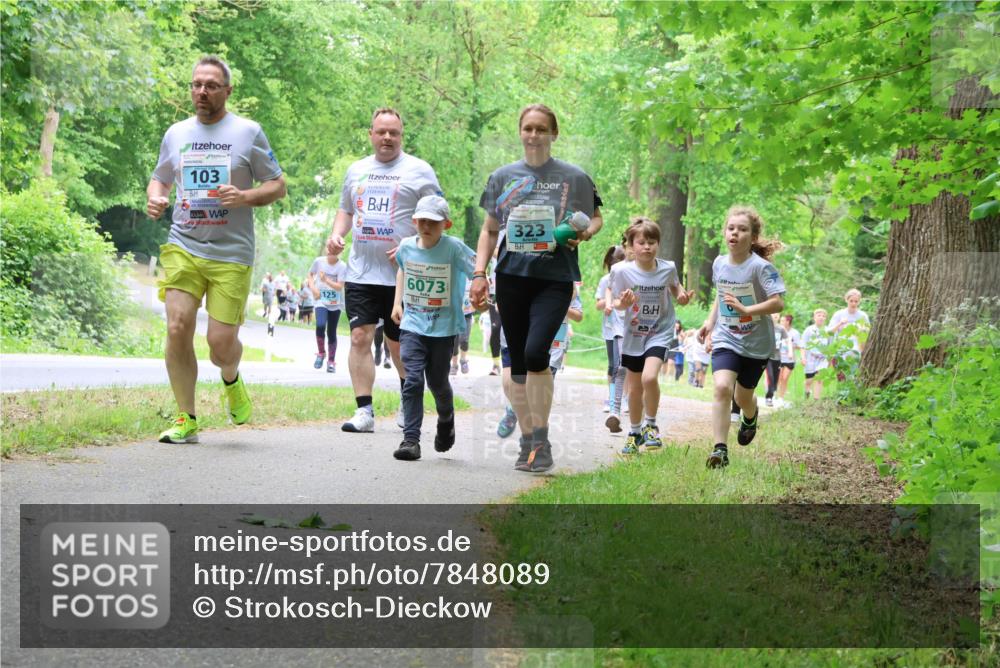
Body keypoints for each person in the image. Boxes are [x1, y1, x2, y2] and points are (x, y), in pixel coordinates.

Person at [146, 55, 285, 444]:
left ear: (227, 90)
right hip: (184, 244)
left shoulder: (249, 132)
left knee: (220, 346)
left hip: (231, 252)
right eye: (196, 84)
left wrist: (244, 196)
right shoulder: (176, 133)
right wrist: (157, 199)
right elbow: (160, 180)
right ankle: (186, 417)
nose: (201, 91)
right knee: (176, 328)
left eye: (210, 85)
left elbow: (277, 185)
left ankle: (231, 377)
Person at [470, 103, 603, 473]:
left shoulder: (574, 177)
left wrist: (585, 234)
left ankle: (541, 440)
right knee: (515, 366)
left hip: (555, 278)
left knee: (535, 353)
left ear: (553, 134)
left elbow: (596, 217)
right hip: (511, 277)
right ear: (520, 132)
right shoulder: (502, 176)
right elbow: (489, 230)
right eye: (527, 128)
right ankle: (529, 439)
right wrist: (480, 273)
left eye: (541, 129)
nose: (533, 135)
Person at [326, 108, 443, 433]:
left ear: (401, 136)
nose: (387, 138)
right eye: (381, 132)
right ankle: (364, 411)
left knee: (399, 345)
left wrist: (415, 244)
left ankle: (409, 406)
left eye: (394, 132)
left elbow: (439, 217)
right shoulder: (357, 170)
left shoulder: (419, 171)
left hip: (403, 275)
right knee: (360, 337)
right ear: (371, 134)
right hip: (362, 272)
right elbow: (346, 210)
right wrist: (337, 236)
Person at [697, 206, 785, 469]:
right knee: (722, 387)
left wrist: (748, 310)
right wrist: (709, 323)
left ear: (753, 236)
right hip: (727, 337)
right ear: (725, 233)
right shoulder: (719, 263)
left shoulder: (761, 268)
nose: (735, 233)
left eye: (742, 229)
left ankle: (750, 414)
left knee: (742, 397)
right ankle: (720, 449)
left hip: (757, 343)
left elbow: (778, 303)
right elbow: (720, 295)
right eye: (731, 228)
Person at [390, 195, 475, 461]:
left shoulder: (454, 249)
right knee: (413, 379)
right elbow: (403, 269)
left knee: (438, 382)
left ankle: (446, 418)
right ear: (414, 221)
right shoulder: (405, 246)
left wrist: (481, 292)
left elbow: (479, 271)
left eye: (433, 222)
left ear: (446, 224)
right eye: (422, 221)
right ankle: (411, 441)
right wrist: (397, 303)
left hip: (444, 328)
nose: (426, 226)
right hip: (413, 324)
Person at [611, 219, 694, 454]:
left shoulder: (667, 267)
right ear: (631, 246)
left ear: (658, 244)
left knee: (649, 378)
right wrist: (623, 303)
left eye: (652, 242)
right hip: (634, 333)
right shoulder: (621, 271)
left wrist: (682, 297)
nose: (646, 247)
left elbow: (676, 288)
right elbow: (616, 302)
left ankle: (651, 425)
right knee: (635, 387)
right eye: (641, 242)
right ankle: (634, 432)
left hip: (660, 330)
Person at [596, 245, 626, 431]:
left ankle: (622, 399)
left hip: (625, 327)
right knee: (612, 365)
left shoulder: (630, 277)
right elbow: (598, 303)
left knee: (623, 365)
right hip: (610, 327)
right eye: (614, 261)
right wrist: (607, 304)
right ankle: (613, 396)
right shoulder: (605, 280)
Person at [308, 248, 347, 373]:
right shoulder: (318, 261)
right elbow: (310, 275)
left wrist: (326, 280)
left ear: (339, 253)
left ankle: (331, 361)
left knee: (331, 331)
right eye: (329, 249)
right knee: (320, 325)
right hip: (321, 300)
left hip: (335, 303)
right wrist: (314, 289)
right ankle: (321, 353)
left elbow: (340, 286)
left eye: (333, 251)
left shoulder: (342, 266)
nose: (330, 252)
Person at [828, 288, 870, 354]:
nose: (853, 303)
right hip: (841, 349)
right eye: (851, 301)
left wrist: (862, 329)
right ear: (846, 300)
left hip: (858, 349)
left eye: (856, 301)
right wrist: (840, 323)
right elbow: (829, 332)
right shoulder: (839, 314)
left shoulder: (863, 315)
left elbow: (868, 333)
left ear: (859, 302)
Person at [801, 308, 829, 399]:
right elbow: (803, 345)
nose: (821, 317)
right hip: (810, 357)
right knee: (809, 380)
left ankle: (816, 399)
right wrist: (803, 357)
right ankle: (807, 393)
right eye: (819, 315)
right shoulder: (809, 330)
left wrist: (830, 358)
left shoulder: (828, 330)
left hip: (822, 358)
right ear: (814, 317)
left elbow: (830, 345)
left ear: (825, 318)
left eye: (823, 316)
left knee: (819, 378)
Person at [450, 283, 475, 375]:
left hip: (467, 312)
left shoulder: (471, 273)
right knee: (454, 341)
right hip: (454, 312)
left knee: (464, 339)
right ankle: (454, 364)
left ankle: (463, 360)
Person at [764, 312, 787, 407]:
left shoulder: (781, 329)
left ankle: (772, 392)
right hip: (768, 357)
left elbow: (786, 340)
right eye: (773, 314)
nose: (775, 315)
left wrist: (787, 351)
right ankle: (769, 397)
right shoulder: (766, 327)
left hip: (778, 357)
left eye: (777, 314)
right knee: (770, 376)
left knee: (776, 379)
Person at [777, 313, 801, 404]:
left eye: (783, 320)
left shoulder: (795, 333)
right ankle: (776, 395)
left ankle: (781, 397)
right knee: (778, 378)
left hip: (790, 359)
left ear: (788, 322)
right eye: (781, 320)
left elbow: (799, 346)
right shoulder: (778, 330)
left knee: (785, 378)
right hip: (779, 358)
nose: (781, 322)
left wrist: (791, 346)